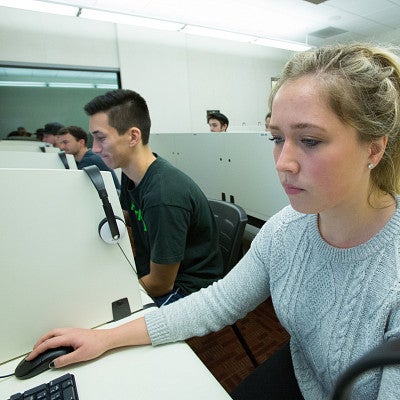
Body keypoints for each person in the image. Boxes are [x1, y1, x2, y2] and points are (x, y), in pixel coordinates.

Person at [27, 42, 400, 399]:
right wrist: (107, 337)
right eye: (276, 138)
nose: (283, 162)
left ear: (374, 147)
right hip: (305, 373)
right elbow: (219, 301)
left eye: (310, 141)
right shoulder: (287, 228)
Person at [81, 90, 222, 306]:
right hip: (153, 269)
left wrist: (112, 293)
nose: (94, 148)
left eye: (101, 138)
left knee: (107, 313)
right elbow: (127, 216)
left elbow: (160, 284)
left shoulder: (163, 195)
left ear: (133, 137)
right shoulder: (132, 174)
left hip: (186, 288)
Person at [57, 125, 121, 191]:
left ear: (81, 142)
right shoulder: (83, 158)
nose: (62, 147)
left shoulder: (90, 161)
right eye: (60, 143)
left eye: (65, 142)